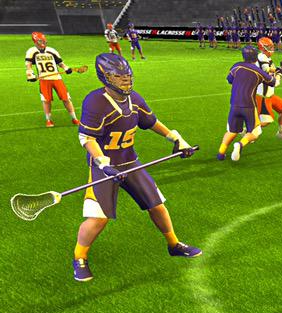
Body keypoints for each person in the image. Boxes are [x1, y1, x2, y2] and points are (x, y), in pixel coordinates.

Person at [73, 53, 200, 282]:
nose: (125, 80)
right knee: (98, 218)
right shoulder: (95, 101)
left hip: (130, 161)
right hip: (104, 166)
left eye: (127, 75)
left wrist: (176, 139)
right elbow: (87, 138)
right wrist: (104, 163)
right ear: (105, 77)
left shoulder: (135, 99)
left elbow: (151, 122)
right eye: (118, 76)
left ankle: (173, 244)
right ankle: (79, 257)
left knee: (157, 205)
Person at [217, 45, 277, 162]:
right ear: (255, 57)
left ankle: (221, 153)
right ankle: (240, 144)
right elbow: (273, 82)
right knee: (255, 132)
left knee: (232, 131)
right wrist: (279, 73)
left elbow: (229, 80)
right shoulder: (258, 71)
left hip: (234, 105)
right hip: (249, 106)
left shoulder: (236, 66)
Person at [25, 32, 82, 128]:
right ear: (35, 41)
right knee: (46, 100)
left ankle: (74, 118)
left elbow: (60, 63)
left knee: (66, 98)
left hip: (57, 78)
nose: (43, 43)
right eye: (40, 41)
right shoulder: (31, 51)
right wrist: (30, 74)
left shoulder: (51, 50)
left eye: (43, 41)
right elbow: (28, 64)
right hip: (44, 79)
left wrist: (66, 68)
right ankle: (48, 120)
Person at [255, 37, 282, 144]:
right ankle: (249, 131)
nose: (271, 49)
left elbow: (273, 72)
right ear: (262, 48)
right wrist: (280, 71)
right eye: (269, 47)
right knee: (266, 121)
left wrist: (281, 69)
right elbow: (274, 80)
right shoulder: (261, 58)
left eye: (271, 46)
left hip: (269, 94)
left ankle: (281, 133)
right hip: (262, 96)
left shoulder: (266, 58)